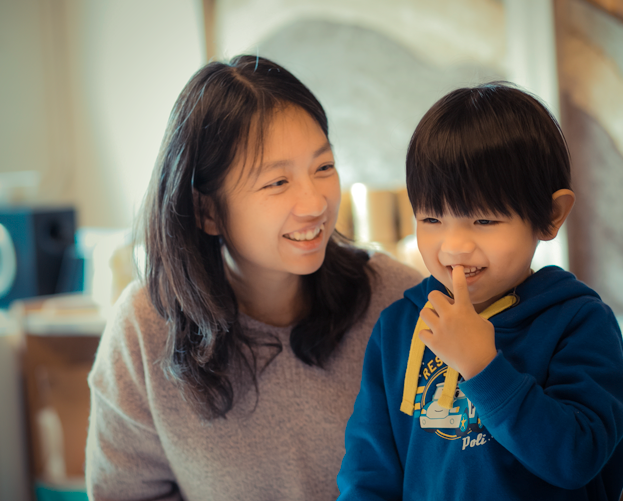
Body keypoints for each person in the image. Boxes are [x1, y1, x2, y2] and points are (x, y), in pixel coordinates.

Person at [85, 55, 422, 500]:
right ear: (207, 210)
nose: (315, 203)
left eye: (323, 167)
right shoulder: (145, 330)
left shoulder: (397, 299)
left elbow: (450, 468)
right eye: (277, 182)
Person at [337, 83, 623, 500]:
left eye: (484, 221)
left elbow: (576, 459)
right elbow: (369, 476)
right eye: (432, 218)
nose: (453, 247)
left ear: (550, 216)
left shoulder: (579, 322)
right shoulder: (399, 327)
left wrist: (483, 367)